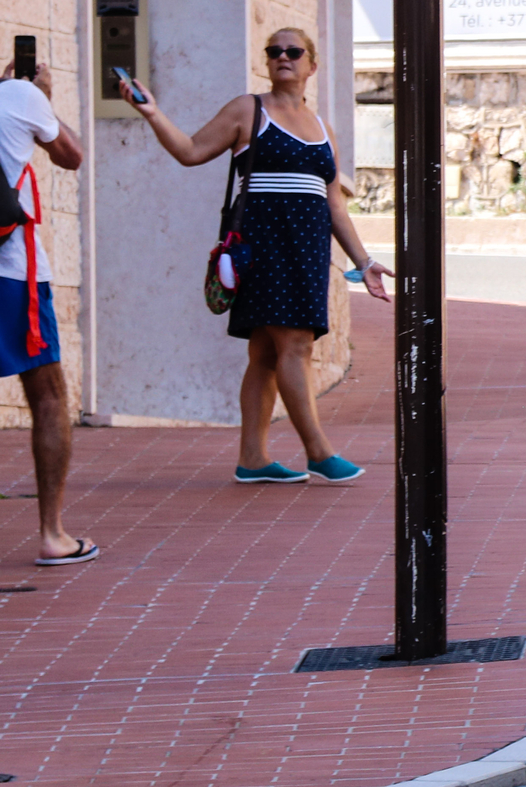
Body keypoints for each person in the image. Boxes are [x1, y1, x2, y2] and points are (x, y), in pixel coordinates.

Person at [120, 29, 390, 483]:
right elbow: (189, 151)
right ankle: (319, 452)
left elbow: (334, 205)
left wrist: (364, 263)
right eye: (274, 51)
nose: (282, 57)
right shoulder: (249, 109)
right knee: (295, 344)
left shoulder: (324, 129)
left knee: (265, 352)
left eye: (293, 51)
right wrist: (151, 113)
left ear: (312, 65)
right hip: (264, 245)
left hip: (306, 249)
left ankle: (253, 459)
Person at [0, 51, 94, 564]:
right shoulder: (19, 96)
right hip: (10, 272)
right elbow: (70, 154)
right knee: (48, 394)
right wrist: (42, 96)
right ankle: (53, 534)